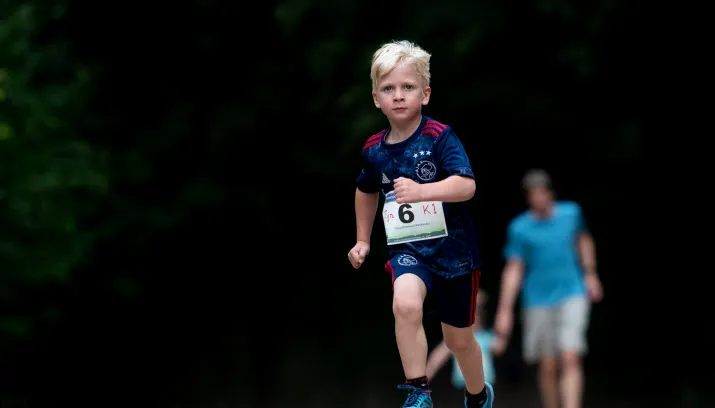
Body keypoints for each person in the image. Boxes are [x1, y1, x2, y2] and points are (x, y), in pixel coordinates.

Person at [347, 40, 494, 408]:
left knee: (459, 339)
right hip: (409, 250)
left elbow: (467, 185)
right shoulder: (373, 150)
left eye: (408, 87)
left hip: (454, 253)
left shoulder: (439, 137)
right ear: (376, 98)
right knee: (405, 305)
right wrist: (363, 239)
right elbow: (365, 190)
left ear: (425, 94)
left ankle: (478, 395)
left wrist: (423, 191)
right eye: (388, 89)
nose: (398, 96)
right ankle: (418, 391)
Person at [492, 169, 604, 408]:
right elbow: (514, 268)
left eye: (542, 191)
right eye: (533, 193)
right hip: (537, 300)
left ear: (550, 192)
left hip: (572, 292)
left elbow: (583, 240)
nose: (538, 197)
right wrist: (504, 311)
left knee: (570, 356)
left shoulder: (571, 213)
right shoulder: (520, 228)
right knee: (547, 364)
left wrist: (591, 274)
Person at [425, 290, 500, 391]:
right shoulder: (456, 338)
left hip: (485, 387)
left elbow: (500, 346)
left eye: (479, 312)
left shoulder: (487, 336)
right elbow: (437, 358)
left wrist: (502, 325)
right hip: (462, 388)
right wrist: (423, 381)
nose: (476, 317)